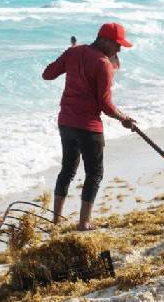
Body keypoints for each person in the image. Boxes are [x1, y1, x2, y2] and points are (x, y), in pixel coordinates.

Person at [42, 23, 136, 231]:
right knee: (94, 173)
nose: (119, 50)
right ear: (105, 40)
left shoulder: (73, 52)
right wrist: (124, 118)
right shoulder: (103, 64)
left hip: (66, 121)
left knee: (67, 169)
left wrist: (69, 60)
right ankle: (84, 223)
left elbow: (47, 74)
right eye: (117, 45)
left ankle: (56, 222)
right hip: (88, 126)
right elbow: (105, 105)